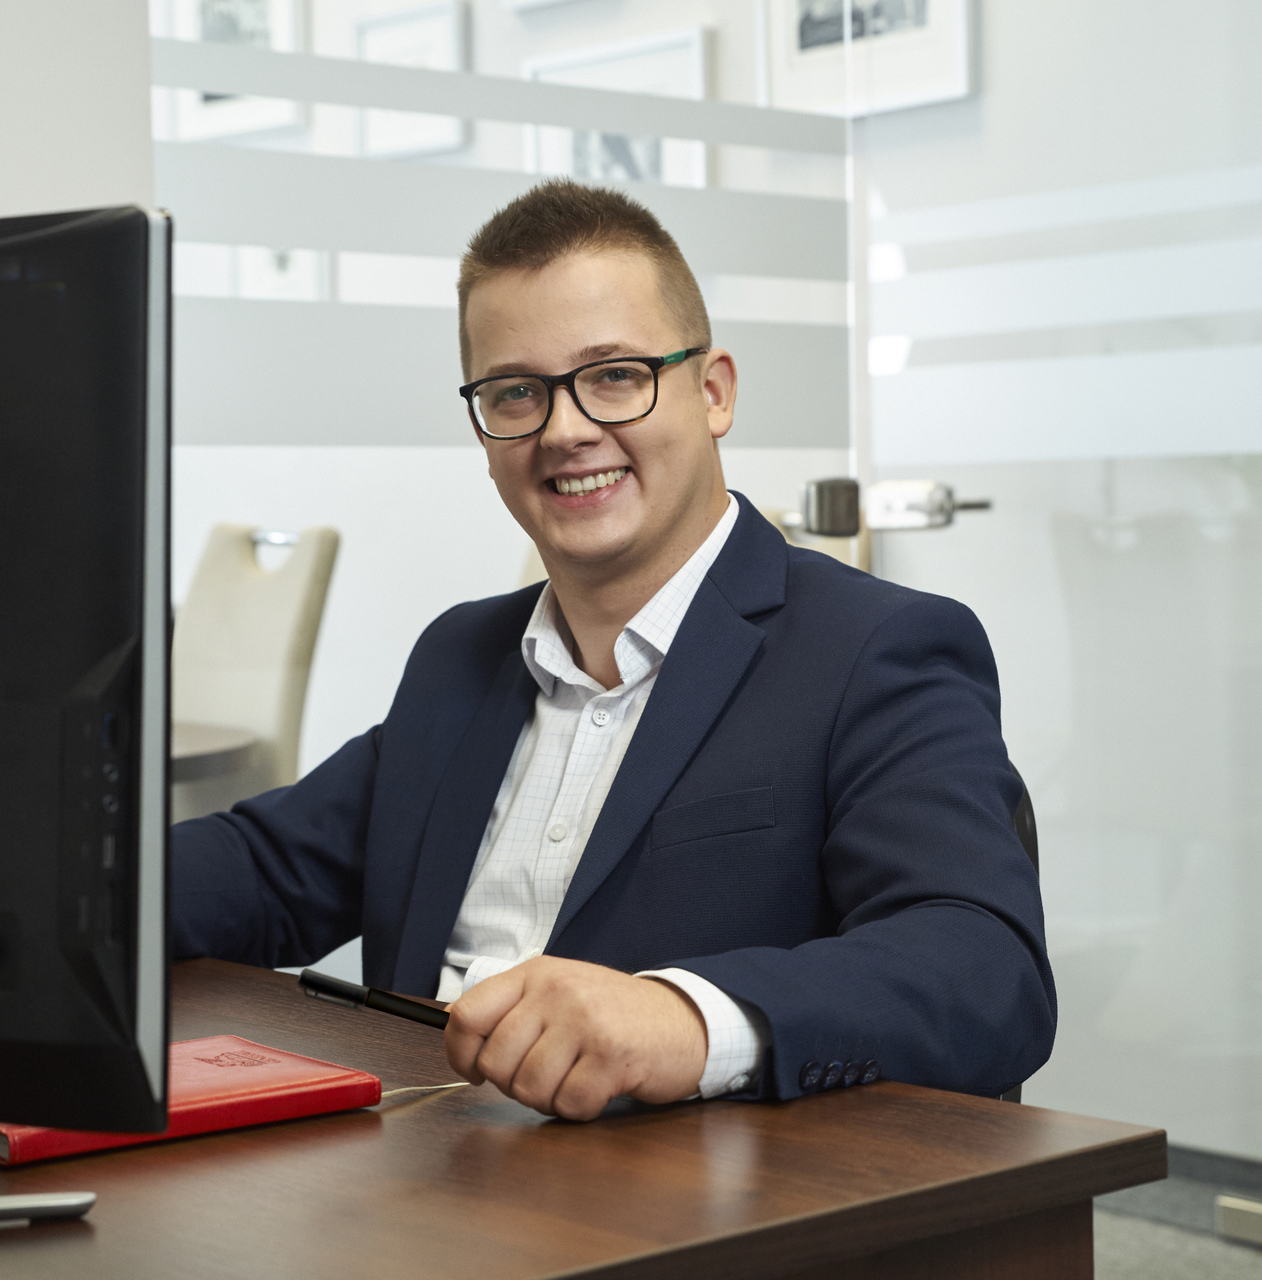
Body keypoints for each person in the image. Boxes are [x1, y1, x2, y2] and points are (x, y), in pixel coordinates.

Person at [172, 180, 1055, 1121]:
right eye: (517, 391)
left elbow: (984, 969)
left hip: (683, 1187)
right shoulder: (459, 656)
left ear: (713, 392)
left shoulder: (873, 649)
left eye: (616, 376)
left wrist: (685, 1017)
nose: (565, 430)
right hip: (421, 1165)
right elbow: (262, 870)